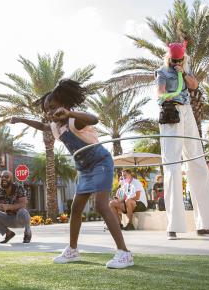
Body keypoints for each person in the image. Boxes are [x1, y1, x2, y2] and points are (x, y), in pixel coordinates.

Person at [10, 79, 133, 268]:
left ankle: (124, 253)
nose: (49, 112)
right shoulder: (55, 127)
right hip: (84, 169)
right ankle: (73, 250)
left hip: (100, 162)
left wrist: (69, 113)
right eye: (46, 110)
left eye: (52, 107)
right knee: (75, 209)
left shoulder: (75, 120)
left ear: (64, 104)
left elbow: (94, 119)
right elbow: (42, 126)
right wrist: (20, 119)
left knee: (101, 205)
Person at [155, 41, 209, 240]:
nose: (177, 61)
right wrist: (170, 94)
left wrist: (183, 72)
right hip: (170, 113)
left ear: (184, 58)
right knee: (173, 165)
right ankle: (173, 224)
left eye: (180, 59)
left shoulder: (186, 69)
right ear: (169, 57)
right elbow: (160, 93)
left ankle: (206, 223)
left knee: (198, 163)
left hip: (188, 112)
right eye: (174, 59)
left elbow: (194, 86)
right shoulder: (161, 72)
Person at [0, 171, 32, 244]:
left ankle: (27, 233)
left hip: (19, 218)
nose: (4, 178)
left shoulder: (19, 188)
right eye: (2, 177)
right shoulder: (0, 190)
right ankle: (8, 233)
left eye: (6, 177)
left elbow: (23, 204)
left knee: (23, 211)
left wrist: (8, 207)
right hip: (8, 218)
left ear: (11, 179)